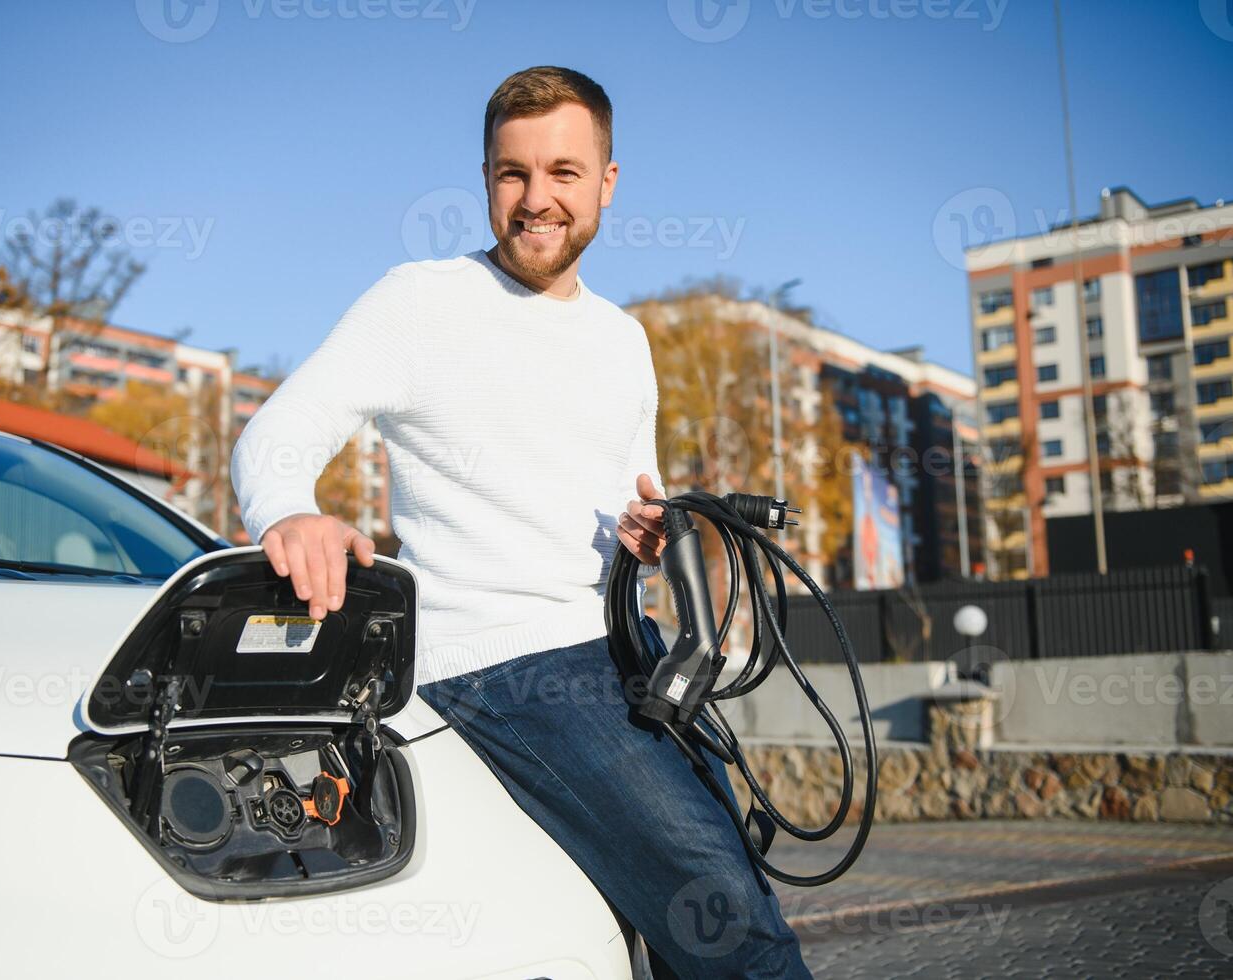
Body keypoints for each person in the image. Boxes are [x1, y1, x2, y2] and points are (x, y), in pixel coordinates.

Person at [230, 65, 811, 979]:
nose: (536, 199)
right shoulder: (422, 300)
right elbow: (278, 431)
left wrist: (642, 539)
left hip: (626, 647)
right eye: (512, 173)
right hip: (501, 660)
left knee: (702, 913)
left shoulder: (624, 340)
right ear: (487, 176)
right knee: (734, 929)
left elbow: (625, 500)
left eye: (563, 173)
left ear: (607, 183)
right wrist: (292, 512)